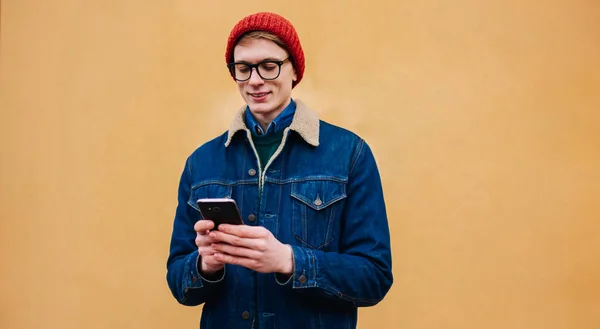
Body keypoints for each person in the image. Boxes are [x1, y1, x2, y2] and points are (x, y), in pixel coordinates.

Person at [166, 11, 393, 329]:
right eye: (243, 69)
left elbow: (374, 277)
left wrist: (288, 260)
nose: (255, 80)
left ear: (294, 70)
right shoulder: (201, 163)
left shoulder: (350, 154)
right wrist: (206, 265)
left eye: (269, 66)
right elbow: (178, 281)